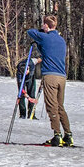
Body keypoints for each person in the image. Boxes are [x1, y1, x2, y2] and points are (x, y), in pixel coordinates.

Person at [28, 15, 72, 147]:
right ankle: (68, 135)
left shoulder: (45, 37)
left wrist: (41, 32)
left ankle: (57, 135)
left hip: (50, 76)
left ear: (47, 26)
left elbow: (30, 32)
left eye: (43, 25)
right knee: (60, 106)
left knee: (51, 106)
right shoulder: (61, 40)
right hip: (62, 77)